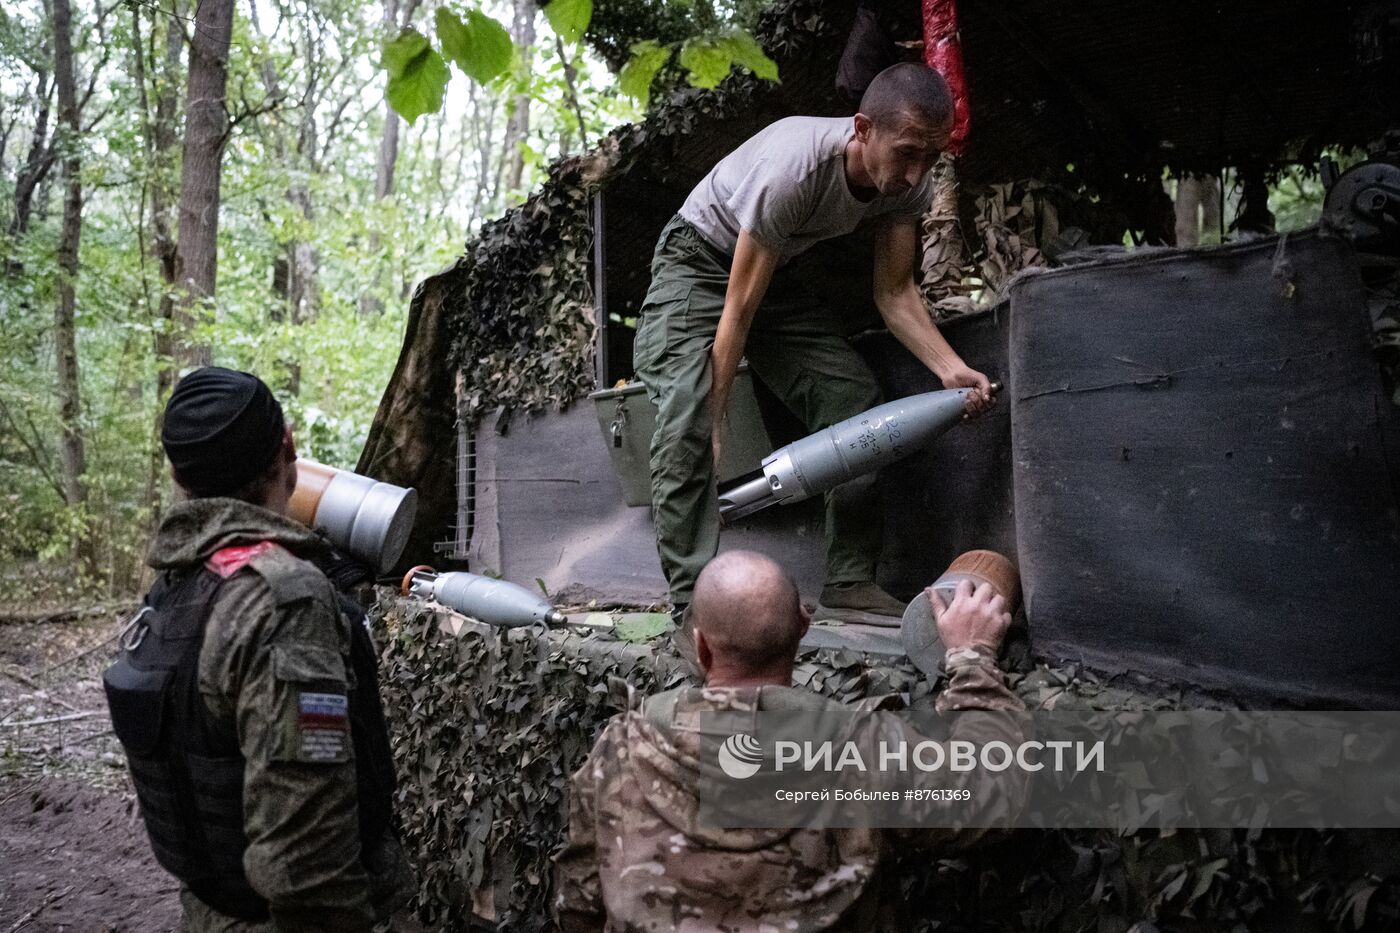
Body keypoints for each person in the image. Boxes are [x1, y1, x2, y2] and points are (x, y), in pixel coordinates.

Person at [634, 62, 995, 626]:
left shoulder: (908, 183)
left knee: (852, 400)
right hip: (698, 261)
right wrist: (717, 413)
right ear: (862, 129)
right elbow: (737, 310)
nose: (915, 172)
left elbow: (895, 292)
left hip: (772, 274)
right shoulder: (794, 171)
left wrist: (951, 368)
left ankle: (850, 579)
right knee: (689, 415)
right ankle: (695, 609)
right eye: (905, 152)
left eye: (930, 157)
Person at [553, 550, 1026, 931]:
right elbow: (993, 796)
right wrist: (972, 657)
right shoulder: (863, 748)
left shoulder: (619, 747)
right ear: (804, 625)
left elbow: (580, 900)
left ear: (700, 646)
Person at [103, 367, 413, 932]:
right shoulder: (283, 604)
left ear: (178, 474)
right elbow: (308, 864)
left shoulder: (178, 582)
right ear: (288, 446)